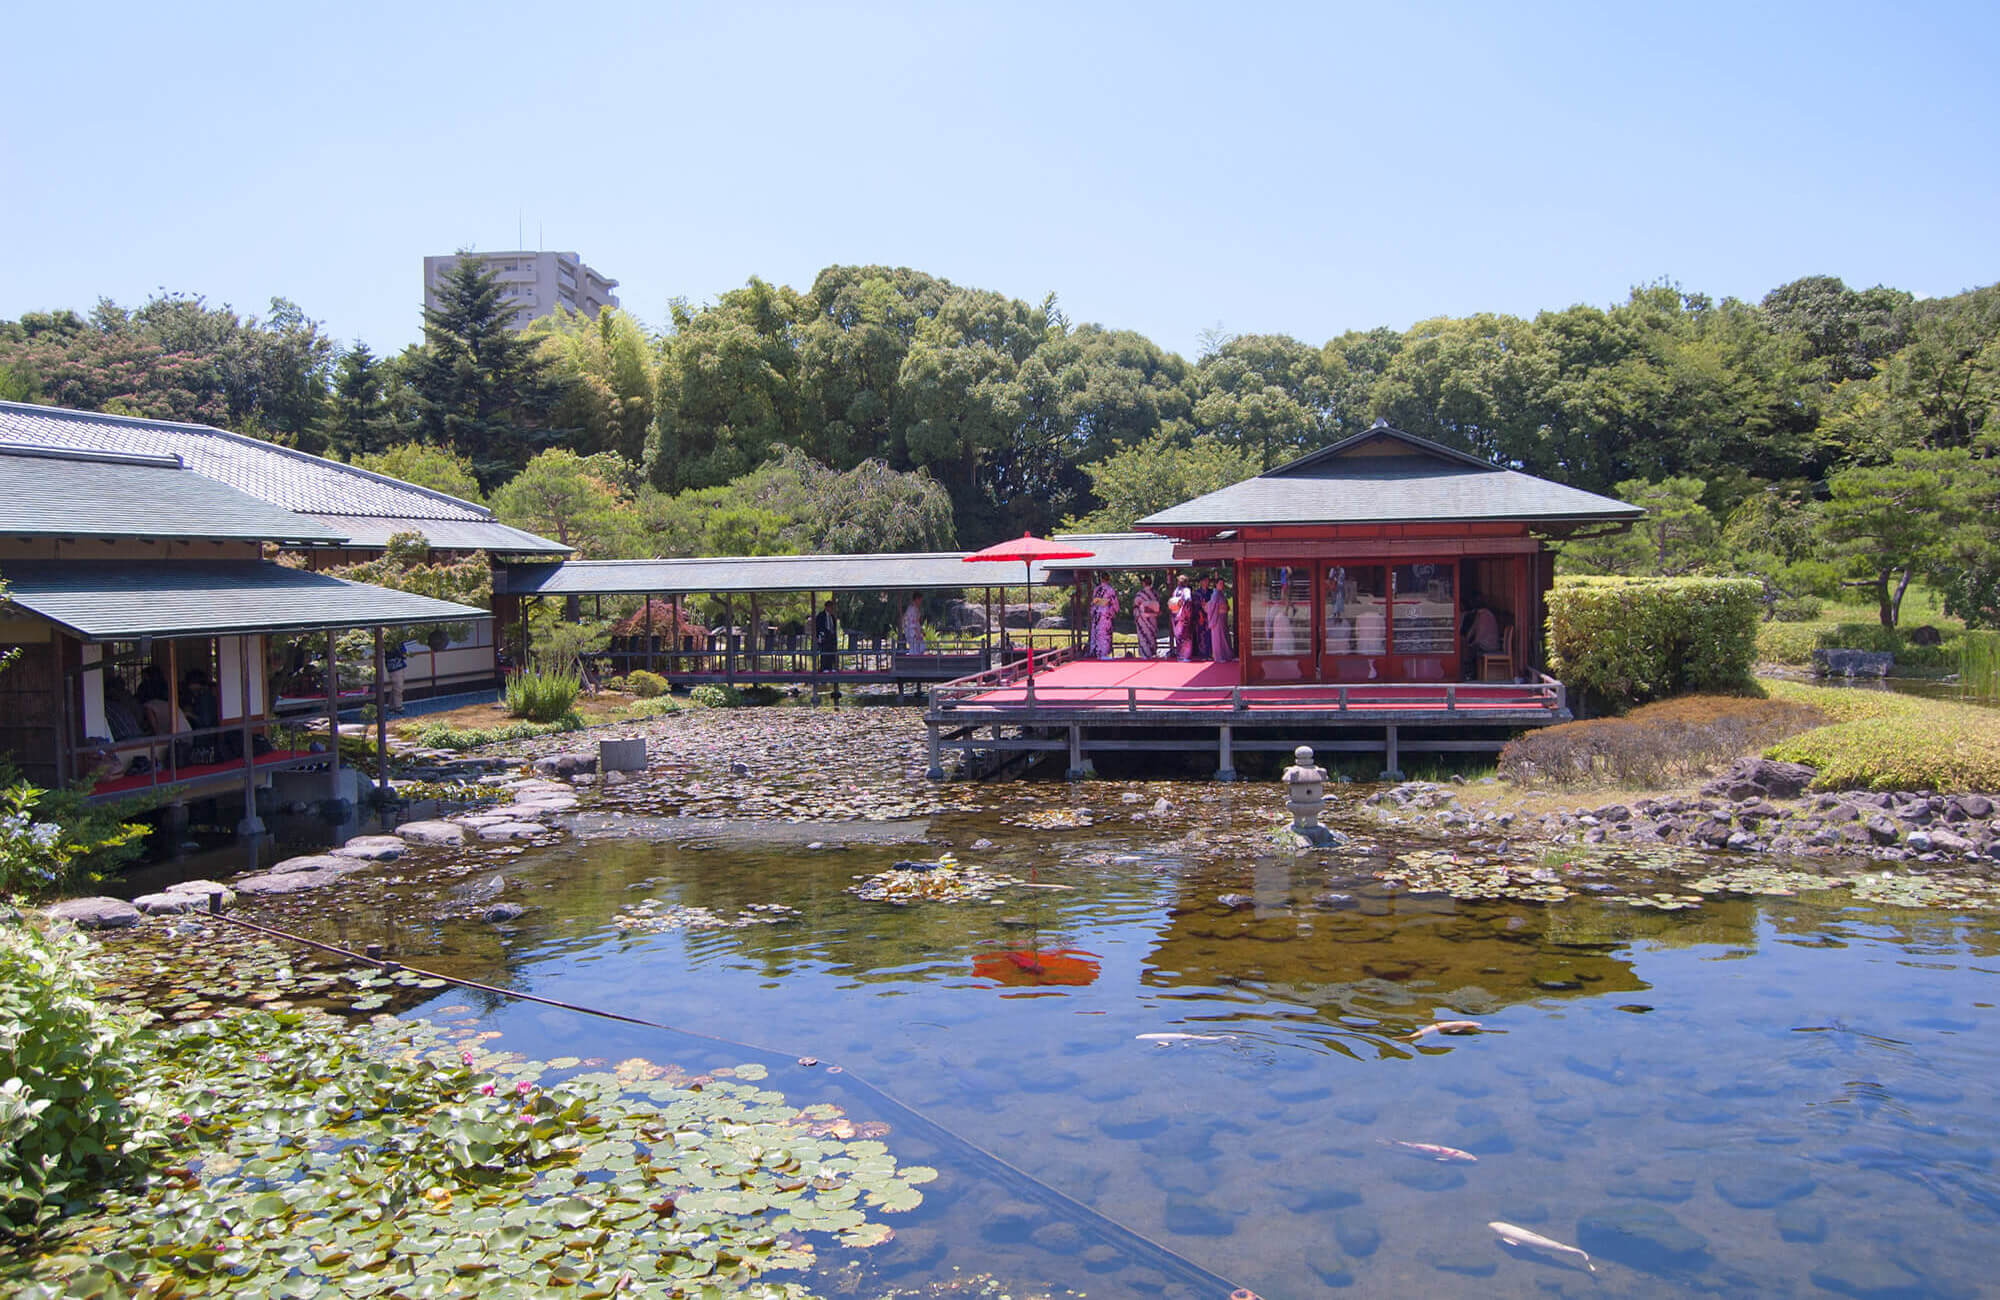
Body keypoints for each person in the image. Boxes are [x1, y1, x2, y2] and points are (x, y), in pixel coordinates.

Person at [813, 599, 840, 698]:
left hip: (831, 637)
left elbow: (833, 627)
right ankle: (824, 667)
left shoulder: (832, 617)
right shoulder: (821, 616)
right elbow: (818, 626)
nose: (831, 609)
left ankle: (830, 667)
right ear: (826, 607)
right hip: (823, 637)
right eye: (830, 607)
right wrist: (820, 635)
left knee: (832, 651)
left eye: (832, 607)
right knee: (824, 652)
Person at [1089, 575, 1119, 658]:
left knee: (1096, 634)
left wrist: (1096, 605)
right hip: (1105, 615)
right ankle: (1103, 654)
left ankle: (1095, 653)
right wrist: (1112, 611)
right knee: (1104, 635)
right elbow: (1115, 605)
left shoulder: (1096, 590)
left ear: (1101, 579)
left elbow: (1093, 603)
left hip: (1096, 615)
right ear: (1108, 579)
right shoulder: (1110, 590)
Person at [1206, 577, 1235, 662]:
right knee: (1218, 638)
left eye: (1222, 584)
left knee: (1224, 637)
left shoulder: (1221, 594)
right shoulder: (1215, 594)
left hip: (1223, 617)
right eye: (1220, 583)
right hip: (1217, 617)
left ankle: (1226, 655)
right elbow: (1211, 606)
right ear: (1216, 584)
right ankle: (1219, 657)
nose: (1222, 585)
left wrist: (1226, 607)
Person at [1132, 579, 1161, 659]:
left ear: (1143, 583)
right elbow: (1158, 606)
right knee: (1151, 635)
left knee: (1143, 635)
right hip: (1152, 617)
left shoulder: (1140, 594)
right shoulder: (1155, 593)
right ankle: (1152, 653)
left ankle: (1145, 654)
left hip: (1142, 618)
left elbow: (1136, 605)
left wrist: (1136, 616)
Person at [1168, 573, 1194, 662]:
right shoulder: (1176, 590)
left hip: (1183, 615)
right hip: (1175, 614)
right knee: (1178, 635)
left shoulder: (1186, 590)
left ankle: (1186, 655)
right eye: (1179, 580)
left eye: (1181, 581)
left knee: (1185, 635)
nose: (1180, 582)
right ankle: (1180, 655)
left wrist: (1182, 605)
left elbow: (1188, 600)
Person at [383, 641, 409, 713]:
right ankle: (398, 707)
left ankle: (392, 706)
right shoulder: (388, 642)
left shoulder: (399, 641)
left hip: (399, 665)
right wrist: (402, 654)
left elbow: (404, 652)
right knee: (398, 687)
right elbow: (393, 653)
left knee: (396, 686)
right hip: (394, 666)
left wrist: (404, 654)